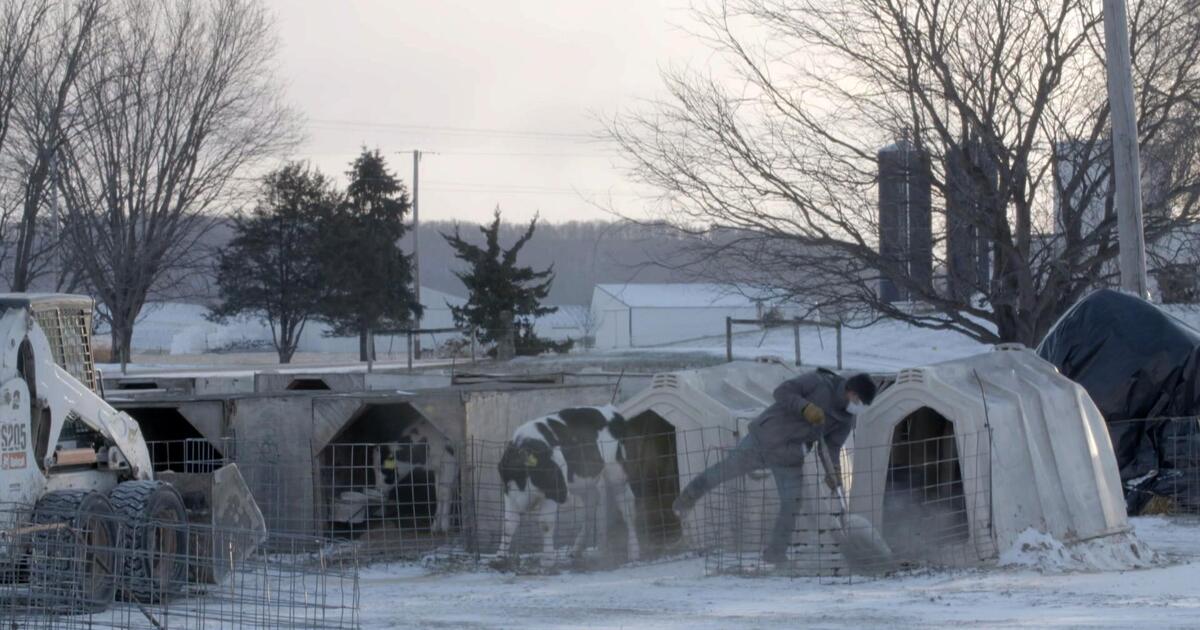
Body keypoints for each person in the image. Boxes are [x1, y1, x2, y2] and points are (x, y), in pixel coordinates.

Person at [672, 368, 877, 563]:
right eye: (858, 401)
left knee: (791, 502)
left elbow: (831, 449)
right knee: (725, 470)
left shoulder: (845, 420)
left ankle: (775, 554)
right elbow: (782, 392)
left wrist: (834, 474)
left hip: (790, 455)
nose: (857, 407)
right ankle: (686, 499)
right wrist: (805, 407)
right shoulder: (819, 382)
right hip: (764, 438)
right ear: (851, 391)